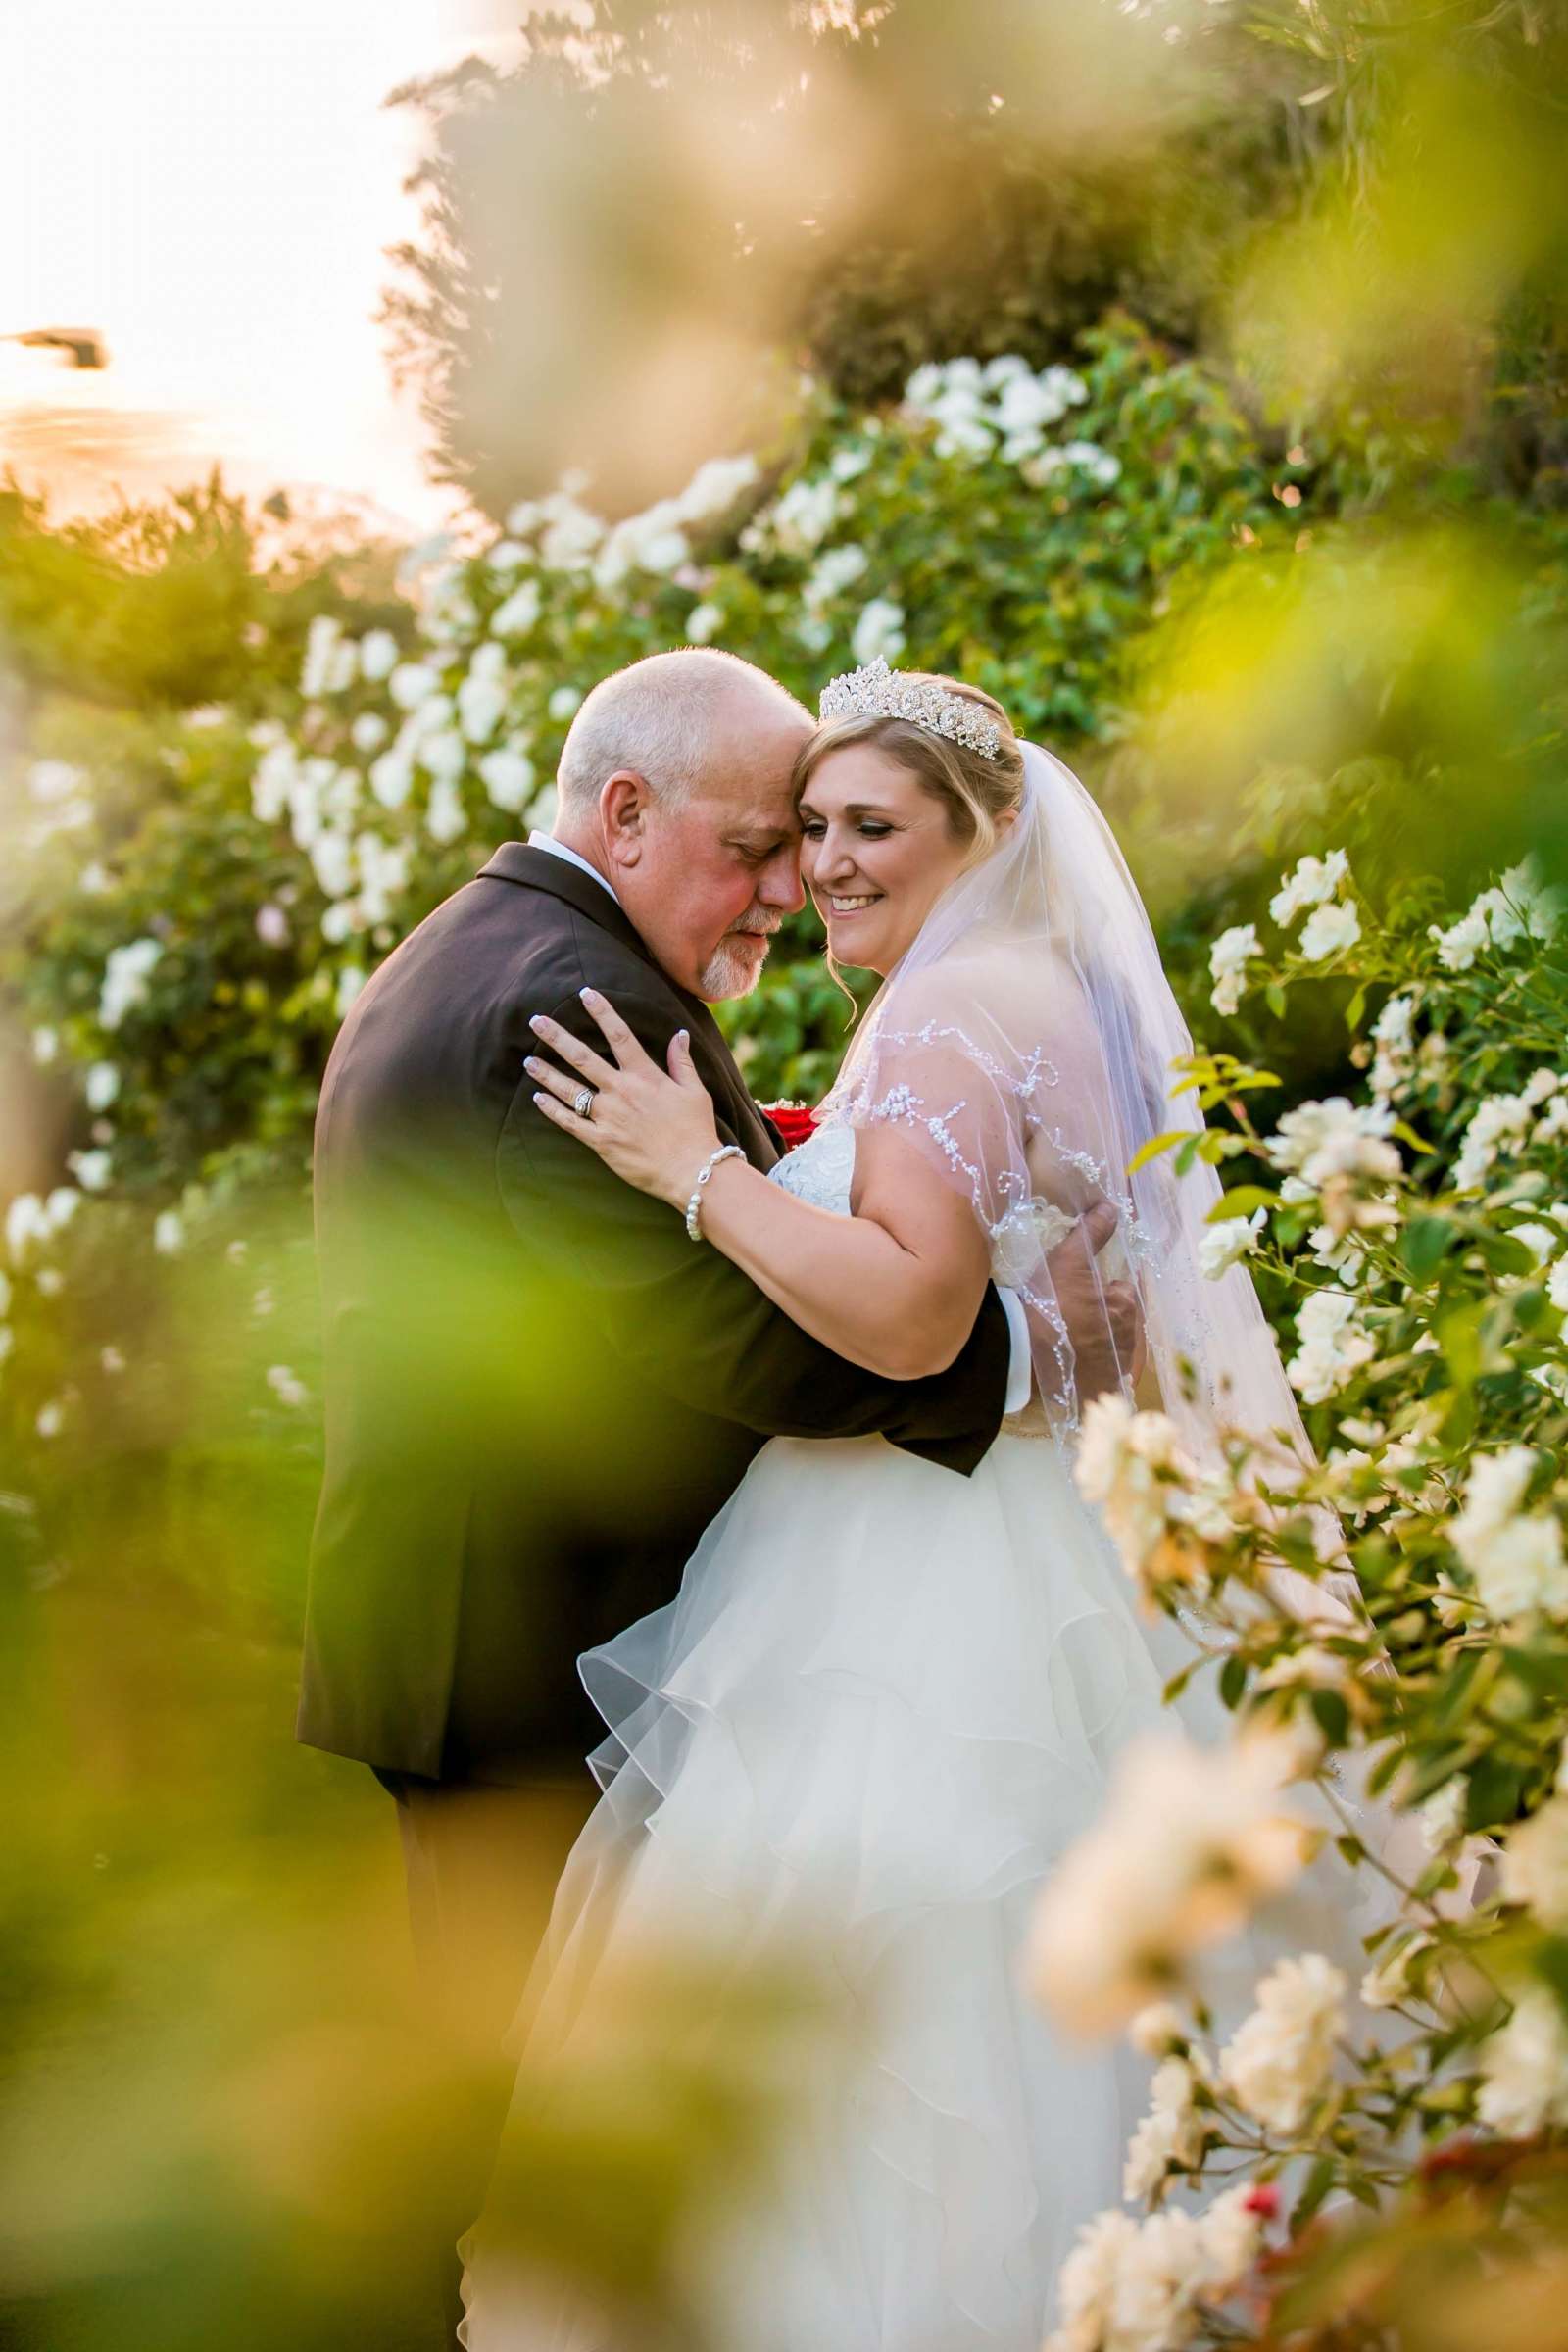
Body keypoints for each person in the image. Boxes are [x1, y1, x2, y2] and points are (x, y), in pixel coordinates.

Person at [459, 662, 1380, 2351]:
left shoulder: (958, 1012)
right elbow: (1084, 1310)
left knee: (900, 1988)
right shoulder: (1059, 993)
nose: (826, 867)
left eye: (873, 826)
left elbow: (907, 1318)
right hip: (1071, 1541)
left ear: (994, 828)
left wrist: (702, 1172)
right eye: (810, 829)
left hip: (928, 1579)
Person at [297, 648, 1141, 2346]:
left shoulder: (490, 946)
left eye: (827, 835)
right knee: (504, 2117)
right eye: (763, 841)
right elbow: (736, 1346)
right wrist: (1025, 1367)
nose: (786, 885)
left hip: (495, 1627)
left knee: (545, 2092)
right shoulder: (570, 1000)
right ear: (624, 811)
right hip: (527, 1646)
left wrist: (759, 1180)